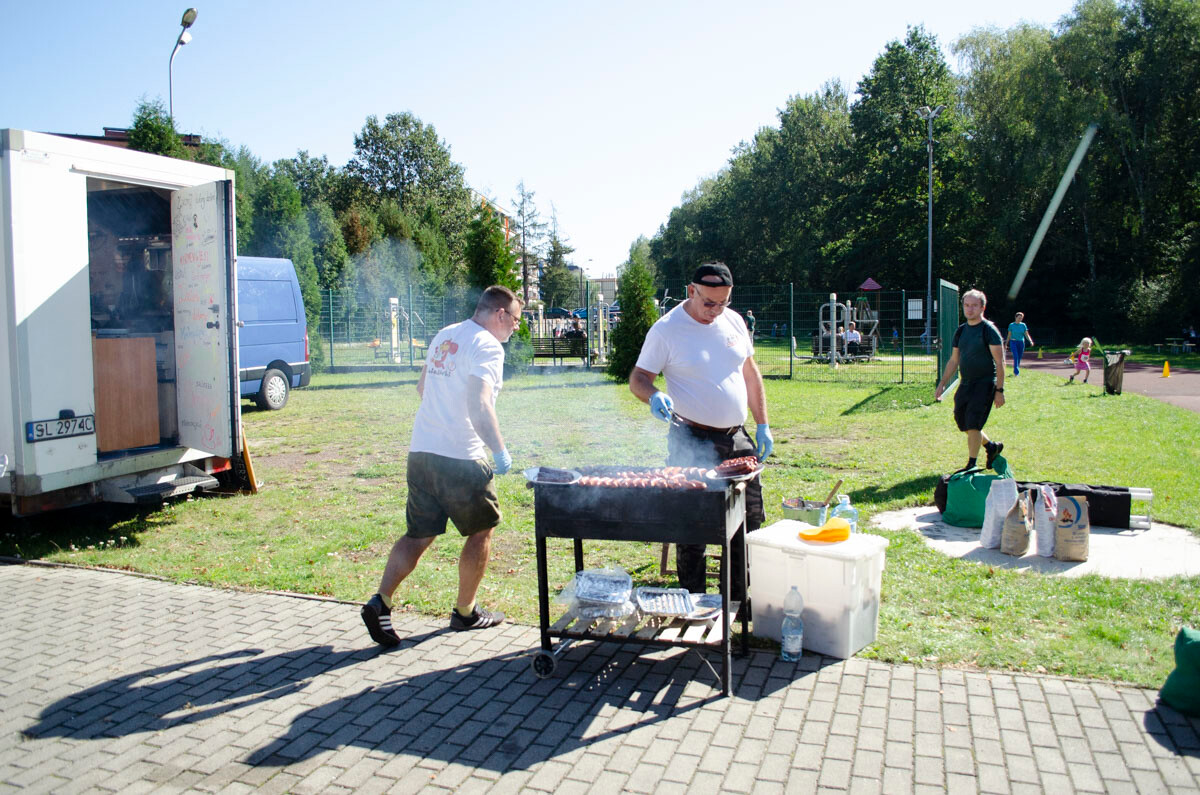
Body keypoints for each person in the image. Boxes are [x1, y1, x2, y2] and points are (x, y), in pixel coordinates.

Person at [361, 285, 523, 647]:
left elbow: (422, 388)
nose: (515, 328)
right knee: (481, 531)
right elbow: (480, 405)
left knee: (418, 534)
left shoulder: (446, 334)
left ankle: (381, 602)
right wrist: (499, 450)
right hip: (460, 458)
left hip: (421, 453)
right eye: (514, 320)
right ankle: (466, 612)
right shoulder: (487, 345)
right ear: (499, 315)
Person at [628, 262, 772, 602]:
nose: (716, 310)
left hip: (737, 437)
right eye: (709, 302)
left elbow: (750, 374)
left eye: (723, 302)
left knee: (748, 522)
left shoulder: (733, 320)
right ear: (691, 291)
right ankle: (692, 603)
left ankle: (738, 603)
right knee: (692, 528)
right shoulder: (666, 330)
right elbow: (638, 379)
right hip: (690, 437)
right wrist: (653, 394)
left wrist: (762, 424)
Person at [935, 289, 1006, 472]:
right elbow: (954, 360)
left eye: (974, 305)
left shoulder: (989, 330)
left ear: (983, 307)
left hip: (984, 383)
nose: (970, 309)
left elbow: (1000, 362)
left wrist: (999, 390)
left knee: (973, 423)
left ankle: (971, 465)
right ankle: (991, 447)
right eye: (966, 305)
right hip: (965, 383)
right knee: (963, 422)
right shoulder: (961, 331)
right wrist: (942, 383)